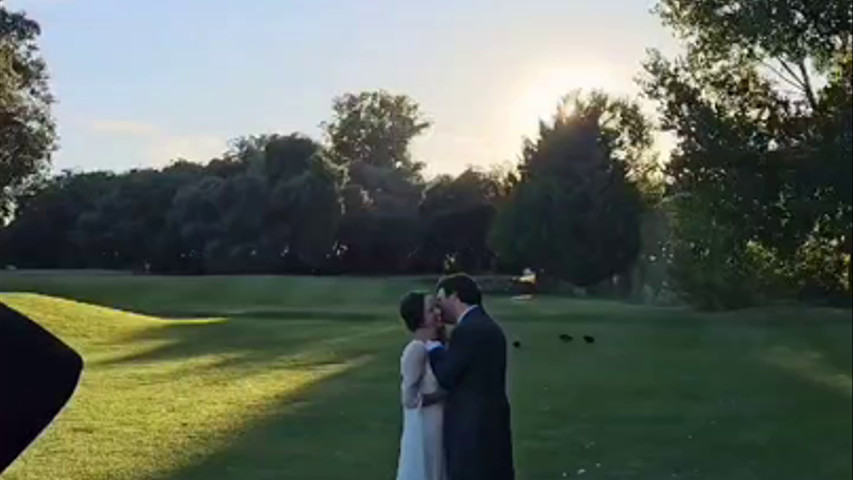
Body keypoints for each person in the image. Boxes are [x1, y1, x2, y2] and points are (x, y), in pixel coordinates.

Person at [426, 273, 515, 480]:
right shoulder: (490, 326)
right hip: (494, 421)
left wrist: (433, 346)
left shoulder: (466, 331)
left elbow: (445, 376)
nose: (439, 309)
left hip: (471, 426)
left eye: (440, 301)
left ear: (454, 296)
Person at [395, 291, 448, 480]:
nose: (437, 312)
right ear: (420, 318)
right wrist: (442, 395)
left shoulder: (439, 346)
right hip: (425, 426)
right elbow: (409, 398)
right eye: (430, 309)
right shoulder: (417, 349)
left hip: (440, 424)